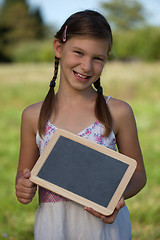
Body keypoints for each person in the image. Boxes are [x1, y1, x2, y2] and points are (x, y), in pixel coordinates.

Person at [15, 10, 146, 240]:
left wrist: (115, 195)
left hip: (105, 229)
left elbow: (138, 174)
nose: (86, 66)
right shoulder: (33, 116)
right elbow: (24, 175)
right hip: (54, 228)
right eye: (79, 53)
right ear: (58, 48)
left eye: (98, 58)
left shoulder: (119, 112)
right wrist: (23, 187)